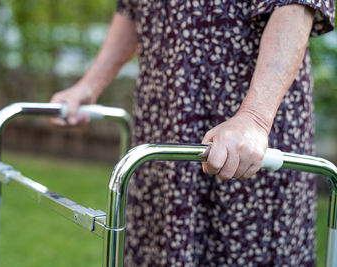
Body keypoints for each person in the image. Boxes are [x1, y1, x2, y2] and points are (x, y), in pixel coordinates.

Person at [50, 1, 335, 266]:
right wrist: (89, 85)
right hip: (162, 131)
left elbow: (296, 5)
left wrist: (254, 119)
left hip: (246, 135)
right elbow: (133, 10)